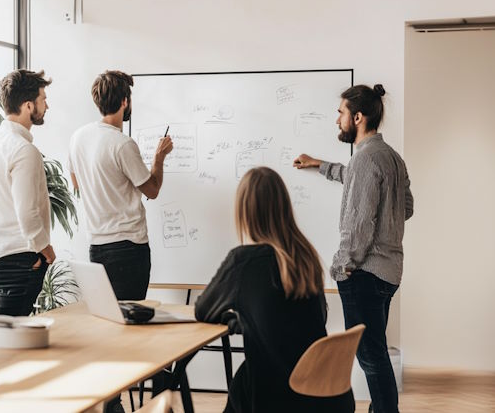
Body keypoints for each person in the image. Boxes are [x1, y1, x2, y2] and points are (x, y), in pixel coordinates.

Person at [293, 83, 413, 413]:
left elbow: (357, 226)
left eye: (341, 113)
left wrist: (341, 267)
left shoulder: (366, 161)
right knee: (375, 351)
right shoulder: (392, 159)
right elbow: (407, 206)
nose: (337, 121)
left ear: (357, 117)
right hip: (389, 272)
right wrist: (319, 164)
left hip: (364, 273)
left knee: (370, 356)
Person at [195, 166, 355, 413]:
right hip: (325, 392)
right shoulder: (305, 256)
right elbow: (312, 317)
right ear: (284, 207)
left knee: (242, 381)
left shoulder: (243, 261)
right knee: (243, 380)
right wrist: (247, 321)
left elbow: (203, 310)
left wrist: (238, 319)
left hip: (276, 395)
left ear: (245, 212)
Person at [68, 70, 173, 301]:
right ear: (125, 101)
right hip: (128, 248)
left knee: (107, 319)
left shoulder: (78, 137)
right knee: (130, 321)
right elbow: (152, 190)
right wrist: (159, 157)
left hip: (96, 246)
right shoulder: (122, 144)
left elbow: (76, 182)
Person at [0, 69, 56, 317]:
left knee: (3, 334)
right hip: (19, 258)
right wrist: (46, 250)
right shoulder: (23, 149)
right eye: (43, 99)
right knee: (9, 340)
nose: (47, 105)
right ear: (28, 105)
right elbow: (27, 211)